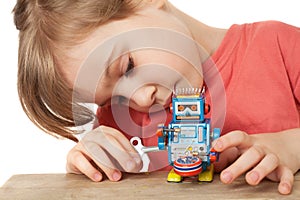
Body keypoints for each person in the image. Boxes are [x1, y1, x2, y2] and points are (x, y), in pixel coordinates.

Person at [13, 0, 299, 195]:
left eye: (128, 68)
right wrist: (90, 166)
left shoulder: (279, 46)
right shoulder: (117, 123)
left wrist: (290, 145)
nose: (139, 99)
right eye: (115, 100)